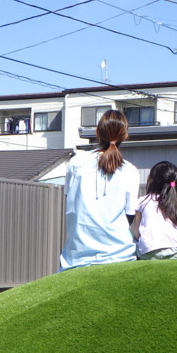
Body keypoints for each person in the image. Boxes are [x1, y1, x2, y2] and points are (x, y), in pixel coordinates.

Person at [58, 109, 139, 270]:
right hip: (119, 255)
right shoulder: (130, 170)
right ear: (125, 136)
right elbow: (129, 215)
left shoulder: (76, 163)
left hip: (76, 258)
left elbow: (70, 200)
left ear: (97, 132)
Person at [134, 161, 177, 260]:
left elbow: (136, 234)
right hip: (175, 249)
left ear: (152, 180)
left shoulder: (143, 202)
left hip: (149, 250)